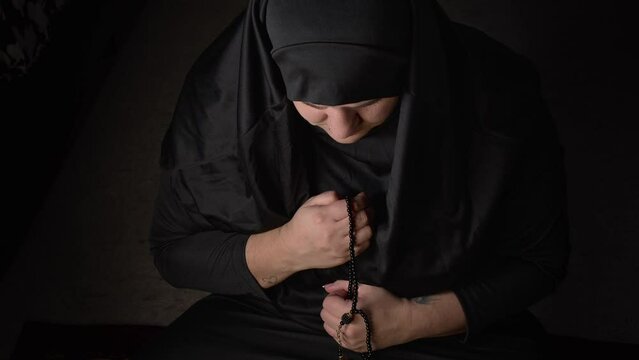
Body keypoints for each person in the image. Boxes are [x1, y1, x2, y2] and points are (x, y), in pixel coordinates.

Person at [133, 0, 570, 359]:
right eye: (312, 101)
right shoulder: (223, 97)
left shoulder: (495, 95)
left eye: (369, 99)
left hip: (439, 324)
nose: (341, 128)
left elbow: (541, 262)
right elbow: (173, 250)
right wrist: (289, 248)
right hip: (281, 319)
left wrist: (410, 320)